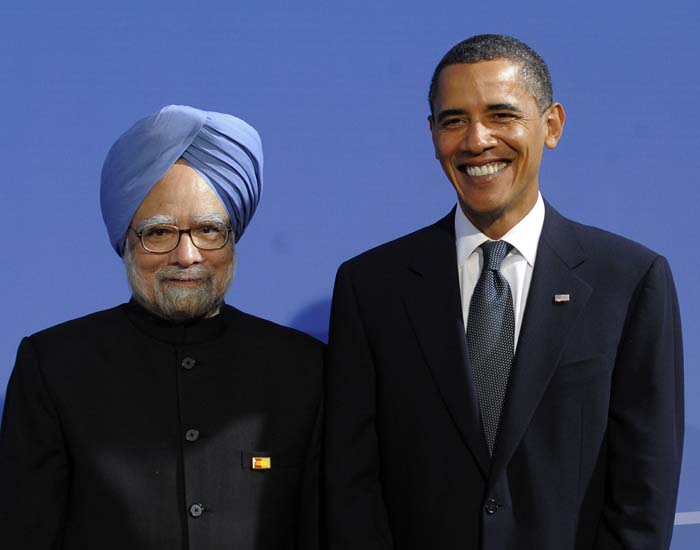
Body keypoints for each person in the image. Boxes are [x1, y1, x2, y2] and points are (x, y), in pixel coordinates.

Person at [324, 34, 683, 549]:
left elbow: (645, 489)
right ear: (432, 135)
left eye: (501, 115)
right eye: (453, 121)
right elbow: (351, 485)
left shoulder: (629, 280)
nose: (476, 140)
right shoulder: (371, 287)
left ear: (551, 125)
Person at [0, 105, 323, 549]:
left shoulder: (304, 370)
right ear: (126, 241)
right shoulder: (54, 366)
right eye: (159, 233)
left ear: (234, 238)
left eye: (209, 230)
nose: (187, 255)